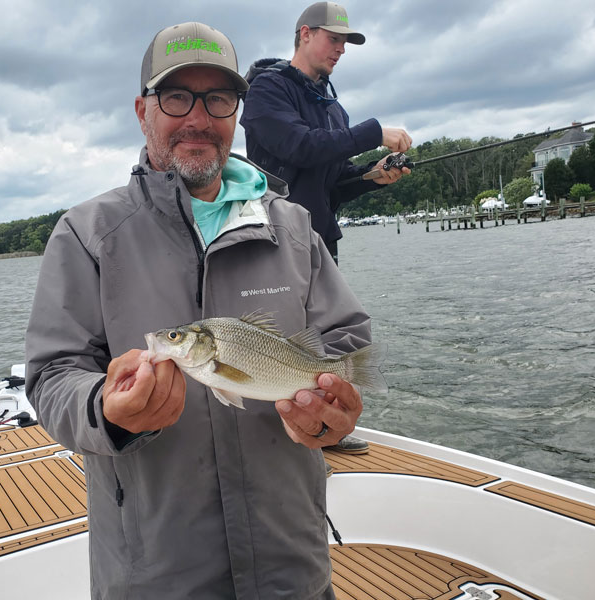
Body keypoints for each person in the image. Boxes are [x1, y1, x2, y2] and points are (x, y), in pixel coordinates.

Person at [26, 21, 373, 600]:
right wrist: (105, 410)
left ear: (236, 111)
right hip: (155, 573)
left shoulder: (293, 226)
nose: (198, 117)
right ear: (143, 111)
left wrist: (334, 412)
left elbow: (346, 342)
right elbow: (52, 376)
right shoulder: (86, 235)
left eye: (217, 98)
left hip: (292, 561)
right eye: (176, 96)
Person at [240, 2, 411, 455]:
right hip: (271, 239)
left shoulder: (334, 110)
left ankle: (321, 430)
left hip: (320, 243)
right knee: (277, 340)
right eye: (333, 39)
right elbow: (298, 147)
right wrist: (374, 131)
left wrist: (372, 176)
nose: (340, 49)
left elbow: (331, 183)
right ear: (303, 34)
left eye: (346, 42)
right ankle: (272, 439)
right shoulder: (265, 92)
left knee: (322, 340)